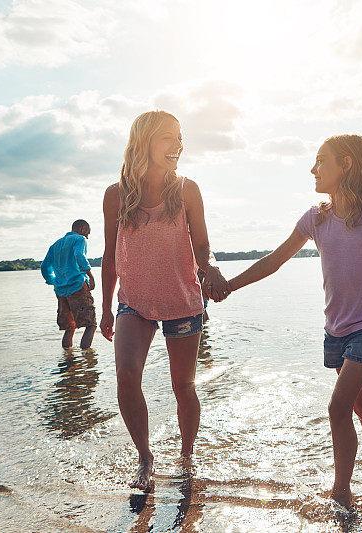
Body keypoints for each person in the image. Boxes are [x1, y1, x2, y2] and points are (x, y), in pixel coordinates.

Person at [217, 134, 362, 510]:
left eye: (321, 160)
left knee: (338, 406)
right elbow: (273, 261)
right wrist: (230, 285)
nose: (313, 168)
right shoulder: (316, 218)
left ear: (347, 164)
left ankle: (342, 493)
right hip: (335, 330)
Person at [99, 110, 229, 491]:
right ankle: (145, 458)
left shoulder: (187, 189)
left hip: (183, 300)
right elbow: (110, 256)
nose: (177, 146)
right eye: (167, 138)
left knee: (182, 387)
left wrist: (211, 270)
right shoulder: (116, 195)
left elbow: (203, 246)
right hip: (133, 302)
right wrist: (106, 307)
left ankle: (187, 457)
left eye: (179, 137)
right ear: (144, 142)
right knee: (125, 379)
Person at [41, 219, 97, 349]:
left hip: (61, 291)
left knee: (70, 328)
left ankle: (69, 361)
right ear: (82, 229)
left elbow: (44, 266)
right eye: (87, 234)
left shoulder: (55, 245)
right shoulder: (79, 239)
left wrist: (52, 280)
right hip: (77, 286)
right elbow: (79, 255)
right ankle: (87, 361)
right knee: (91, 325)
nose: (87, 237)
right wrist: (90, 275)